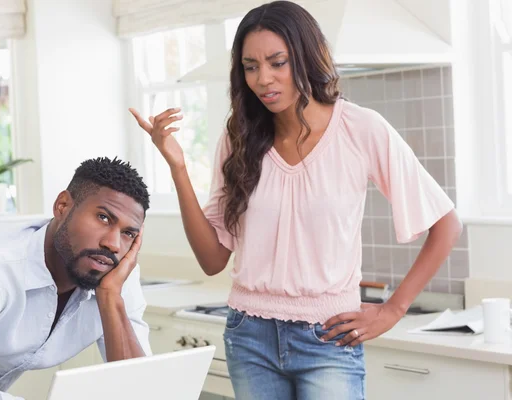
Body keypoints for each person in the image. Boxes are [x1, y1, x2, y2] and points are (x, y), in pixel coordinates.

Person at [129, 1, 462, 399]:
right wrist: (178, 168)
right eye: (251, 66)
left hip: (328, 338)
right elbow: (212, 259)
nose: (263, 79)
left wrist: (393, 310)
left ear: (303, 56)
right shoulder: (239, 138)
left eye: (277, 62)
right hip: (248, 336)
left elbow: (446, 224)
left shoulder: (360, 129)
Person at [0, 157, 152, 400]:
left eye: (128, 233)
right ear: (62, 206)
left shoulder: (114, 277)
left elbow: (142, 393)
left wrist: (110, 297)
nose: (112, 243)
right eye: (103, 218)